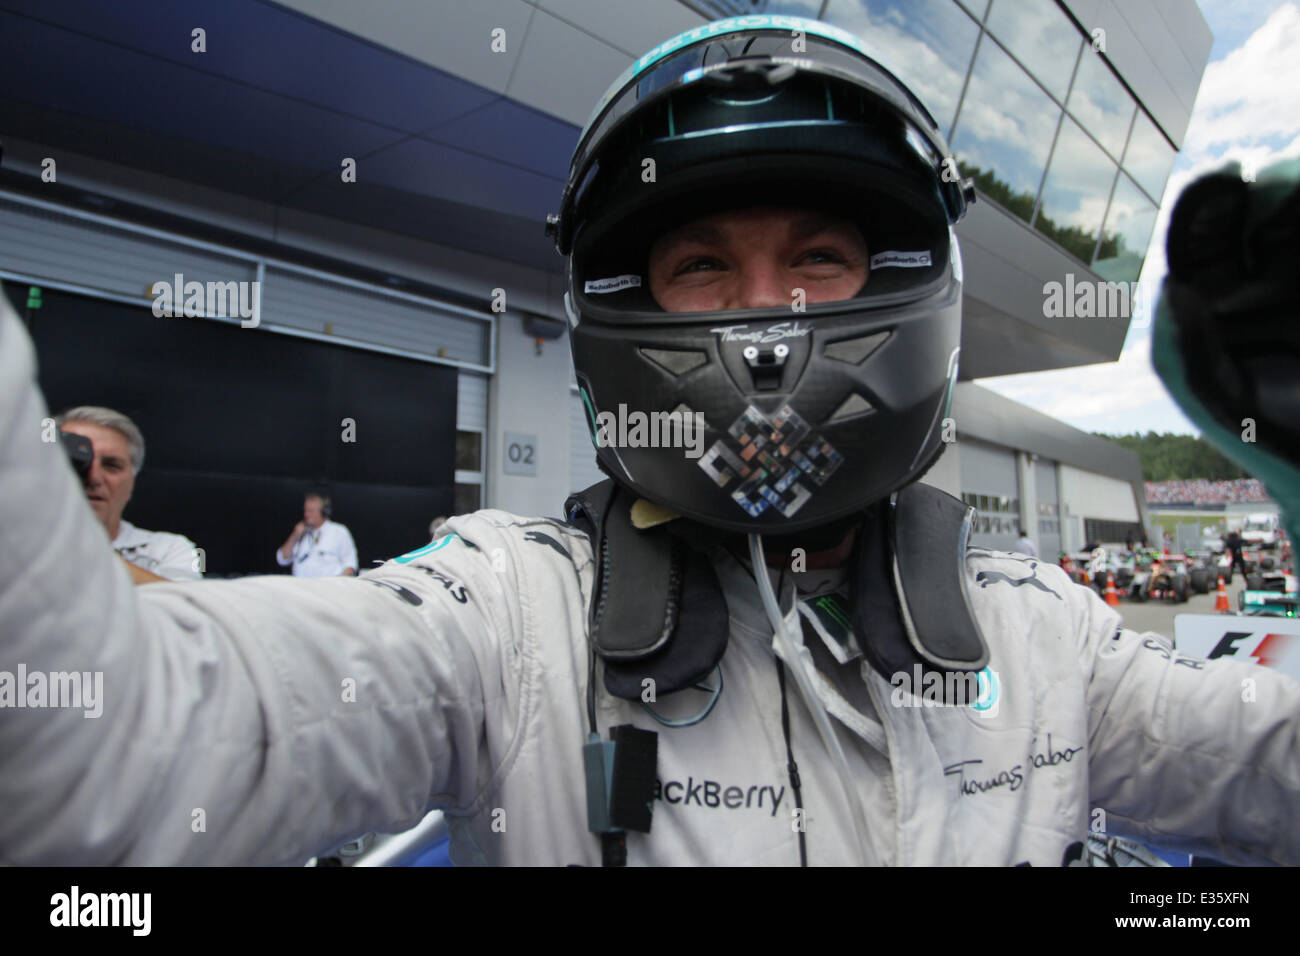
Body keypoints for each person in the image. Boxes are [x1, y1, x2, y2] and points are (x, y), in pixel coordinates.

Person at [2, 16, 1298, 867]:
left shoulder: (1044, 633)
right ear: (625, 311)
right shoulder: (507, 618)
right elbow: (105, 753)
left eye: (820, 260)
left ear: (904, 287)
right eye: (699, 266)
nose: (767, 321)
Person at [56, 405, 202, 583]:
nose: (94, 478)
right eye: (77, 463)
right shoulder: (16, 539)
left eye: (111, 465)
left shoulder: (168, 549)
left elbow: (184, 606)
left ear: (132, 482)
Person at [276, 492, 357, 577]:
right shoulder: (300, 533)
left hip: (328, 588)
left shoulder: (339, 532)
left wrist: (337, 587)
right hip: (300, 588)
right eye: (305, 510)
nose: (306, 514)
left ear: (324, 512)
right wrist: (295, 535)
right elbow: (282, 559)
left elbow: (350, 565)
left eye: (310, 511)